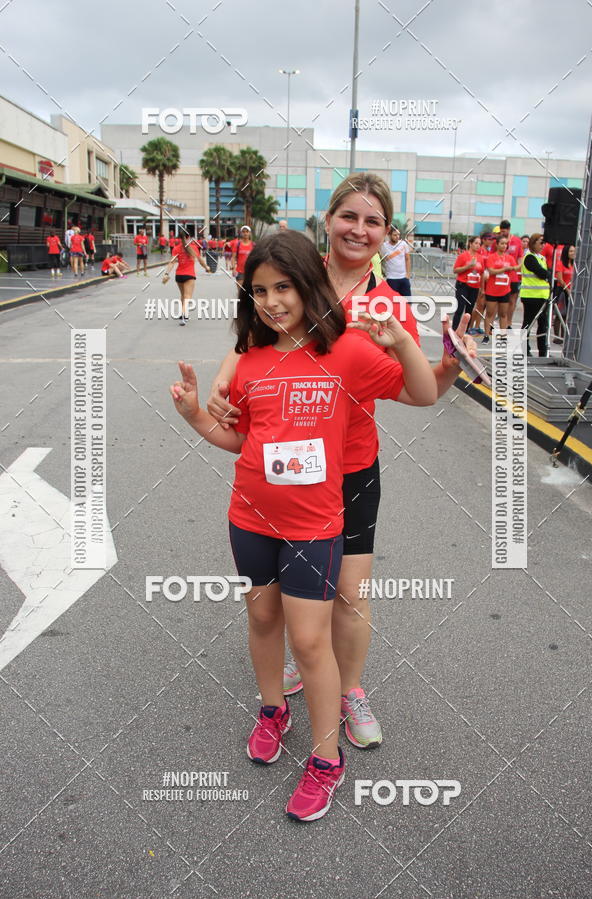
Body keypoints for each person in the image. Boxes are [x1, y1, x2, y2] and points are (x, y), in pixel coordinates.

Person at [170, 231, 438, 821]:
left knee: (312, 641)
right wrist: (194, 416)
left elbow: (421, 393)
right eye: (259, 290)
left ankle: (326, 759)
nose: (270, 300)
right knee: (262, 617)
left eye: (283, 286)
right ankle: (272, 709)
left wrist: (401, 343)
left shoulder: (347, 353)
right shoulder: (253, 361)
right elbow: (240, 440)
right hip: (250, 518)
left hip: (316, 526)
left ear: (308, 285)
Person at [206, 173, 479, 749]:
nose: (359, 229)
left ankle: (349, 689)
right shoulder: (296, 275)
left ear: (387, 232)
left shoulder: (386, 305)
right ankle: (298, 670)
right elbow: (248, 339)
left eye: (373, 221)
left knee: (350, 593)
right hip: (280, 470)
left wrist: (453, 361)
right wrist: (221, 382)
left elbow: (414, 389)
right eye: (349, 216)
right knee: (274, 598)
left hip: (350, 468)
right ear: (328, 220)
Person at [162, 228, 210, 325]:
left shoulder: (176, 248)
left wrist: (166, 273)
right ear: (190, 237)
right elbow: (200, 260)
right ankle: (184, 315)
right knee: (187, 296)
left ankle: (183, 313)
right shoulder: (194, 247)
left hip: (179, 275)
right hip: (189, 275)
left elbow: (172, 263)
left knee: (183, 295)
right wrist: (207, 267)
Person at [482, 235, 518, 344]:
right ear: (497, 245)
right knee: (490, 313)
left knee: (503, 314)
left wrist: (512, 268)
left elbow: (515, 268)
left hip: (505, 289)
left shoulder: (510, 258)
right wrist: (504, 269)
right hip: (492, 289)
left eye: (506, 244)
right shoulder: (491, 257)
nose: (504, 246)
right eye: (502, 243)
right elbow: (491, 271)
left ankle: (503, 335)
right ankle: (486, 335)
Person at [521, 233, 551, 357]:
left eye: (544, 243)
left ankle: (543, 352)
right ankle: (524, 350)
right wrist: (548, 274)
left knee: (543, 325)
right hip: (531, 296)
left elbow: (546, 273)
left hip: (542, 296)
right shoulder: (529, 257)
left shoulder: (542, 258)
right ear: (533, 243)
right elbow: (542, 273)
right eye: (540, 242)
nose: (542, 245)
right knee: (528, 323)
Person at [453, 236, 484, 331]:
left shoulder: (480, 258)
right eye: (476, 243)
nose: (478, 245)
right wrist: (468, 266)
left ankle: (465, 331)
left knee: (469, 309)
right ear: (470, 244)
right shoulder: (463, 256)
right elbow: (455, 270)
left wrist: (482, 288)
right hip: (463, 285)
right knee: (460, 308)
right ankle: (454, 329)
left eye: (479, 244)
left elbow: (482, 273)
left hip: (474, 286)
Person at [553, 243, 575, 344]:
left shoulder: (574, 264)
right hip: (562, 290)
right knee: (559, 313)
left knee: (567, 314)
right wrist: (567, 290)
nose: (573, 253)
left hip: (570, 291)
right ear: (566, 253)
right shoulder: (560, 263)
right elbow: (560, 280)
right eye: (571, 251)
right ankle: (557, 336)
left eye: (574, 251)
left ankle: (563, 336)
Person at [380, 226, 411, 296]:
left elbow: (408, 259)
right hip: (391, 279)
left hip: (403, 278)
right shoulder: (384, 246)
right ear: (389, 235)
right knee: (392, 303)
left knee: (407, 302)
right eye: (395, 235)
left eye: (398, 234)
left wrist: (408, 274)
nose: (397, 237)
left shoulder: (403, 244)